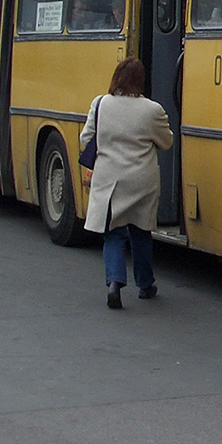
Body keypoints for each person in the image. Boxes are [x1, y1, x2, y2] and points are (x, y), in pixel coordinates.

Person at [80, 57, 173, 309]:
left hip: (110, 179)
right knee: (140, 231)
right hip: (141, 181)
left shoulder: (100, 104)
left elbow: (85, 137)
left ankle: (114, 283)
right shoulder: (153, 109)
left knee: (113, 233)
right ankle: (145, 284)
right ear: (140, 80)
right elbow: (166, 142)